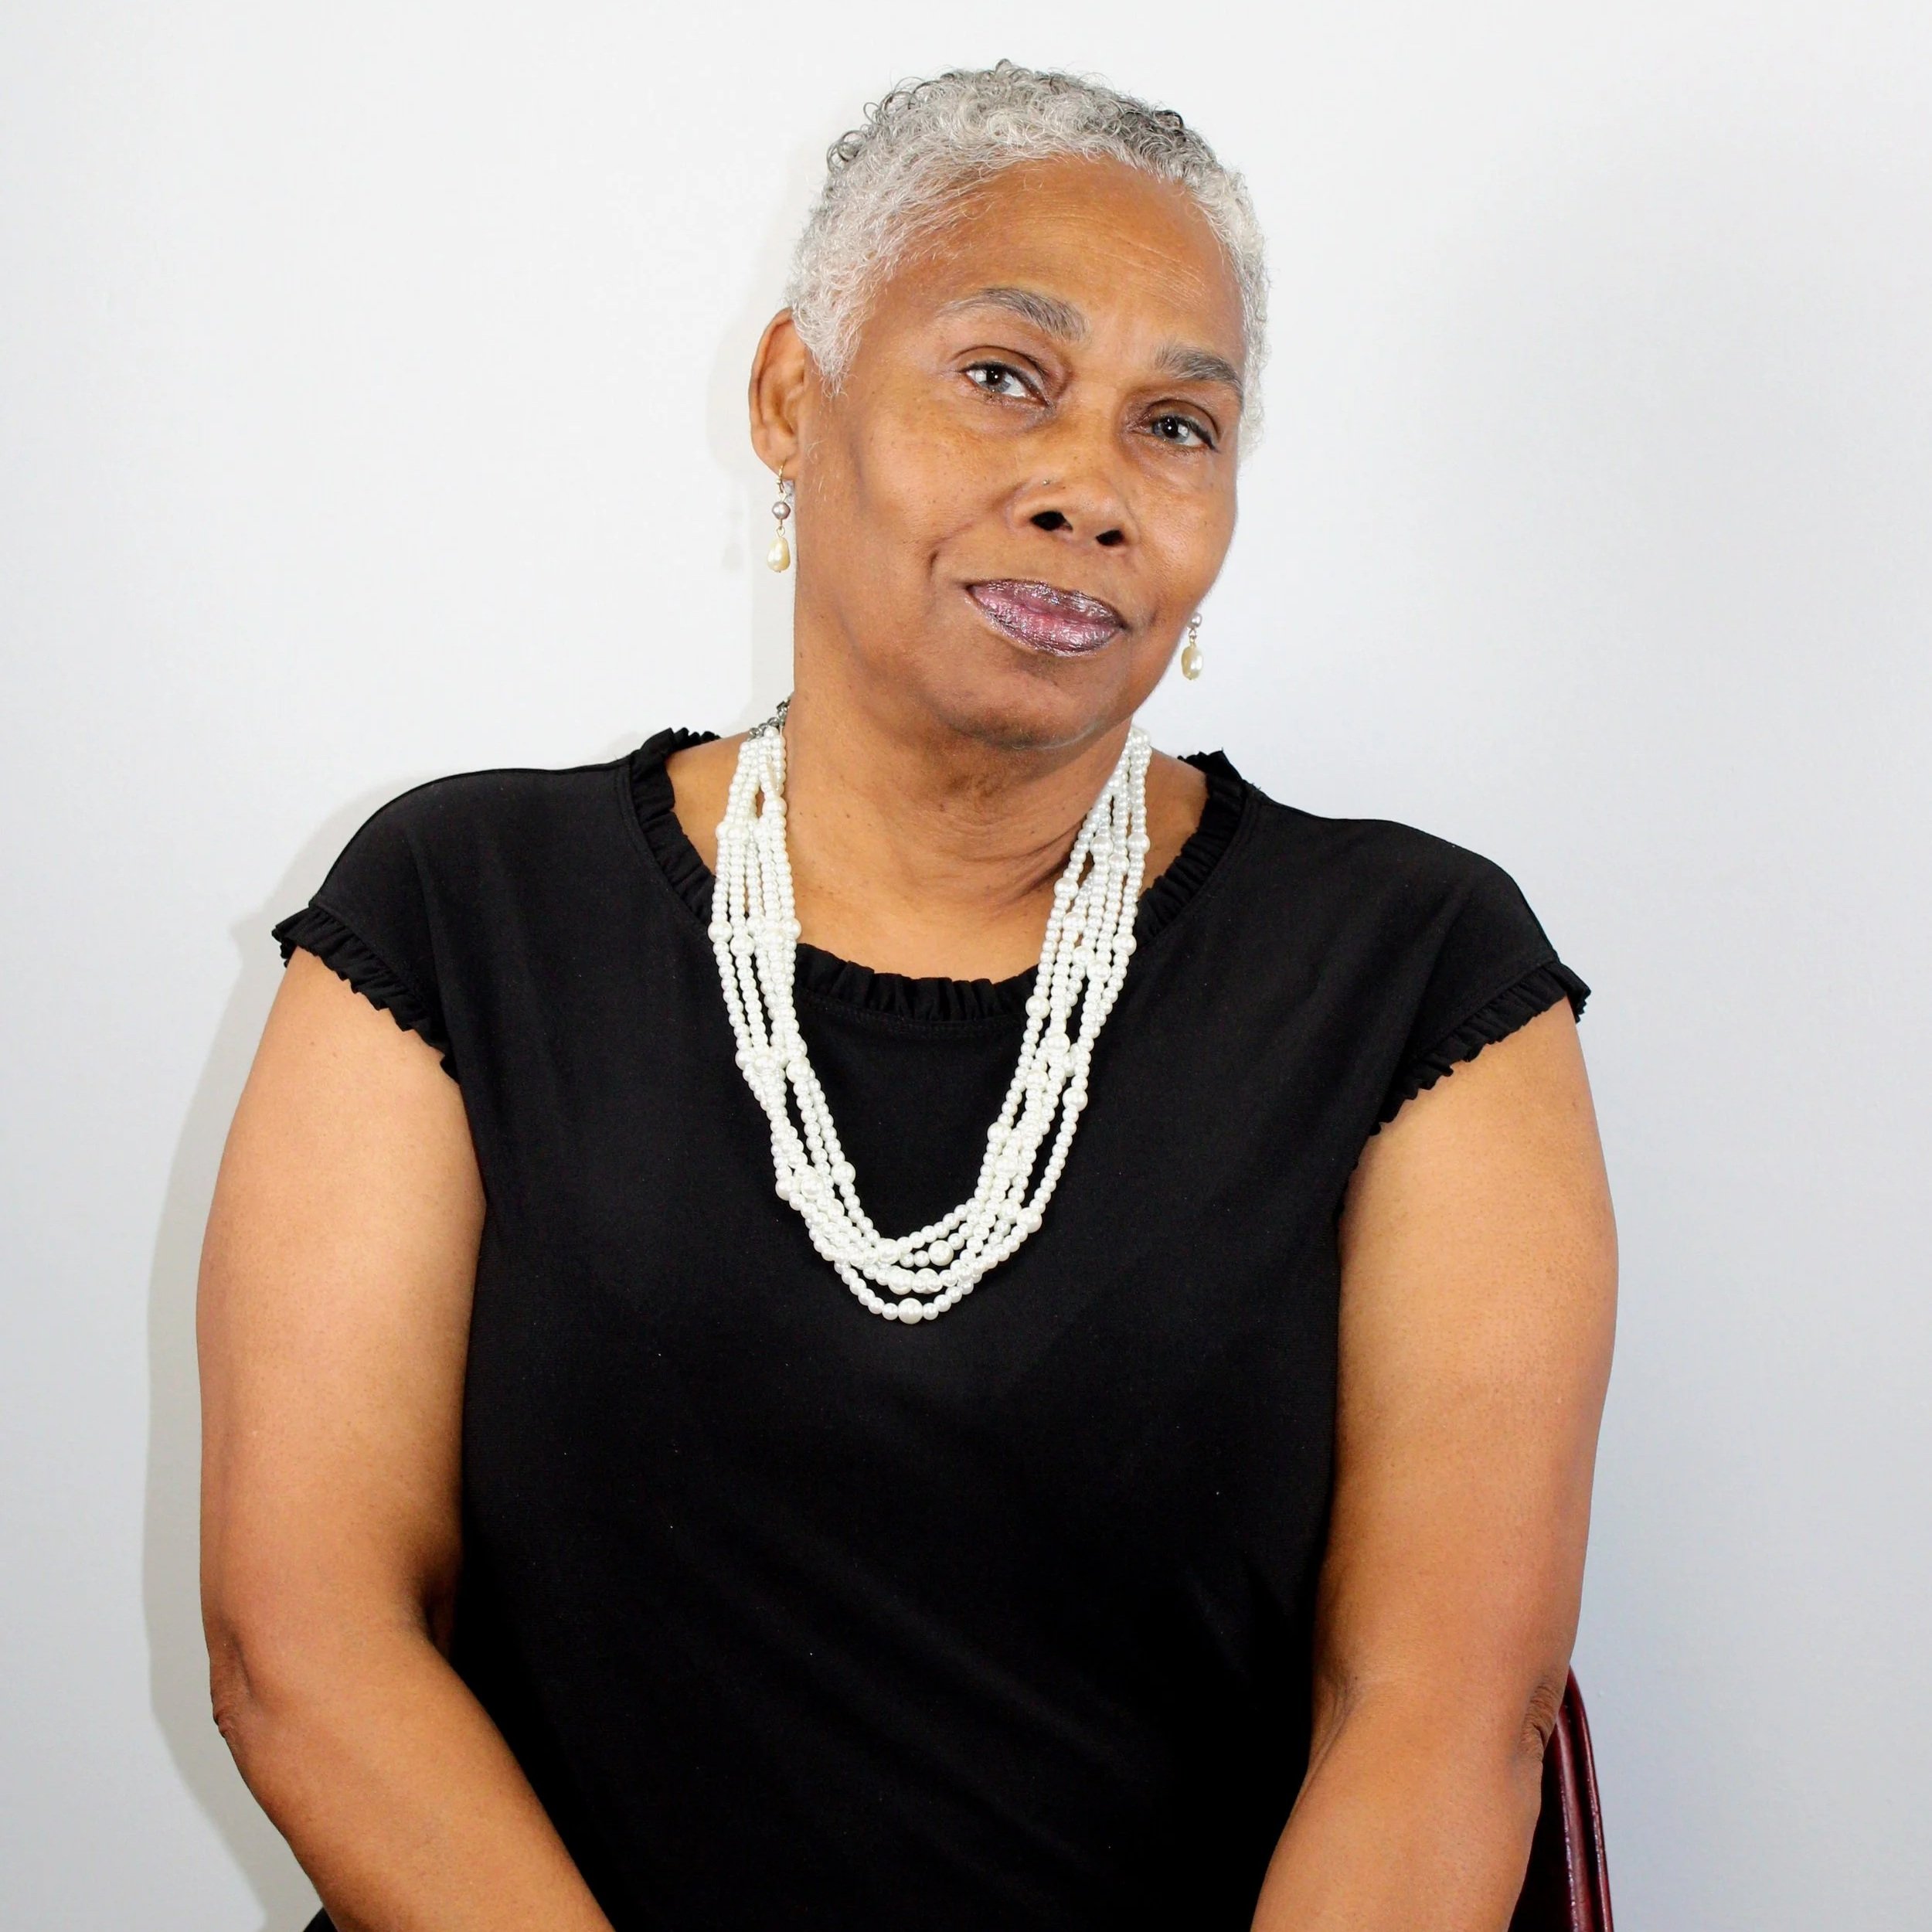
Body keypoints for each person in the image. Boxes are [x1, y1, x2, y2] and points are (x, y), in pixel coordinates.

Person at [198, 61, 1616, 1932]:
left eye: (1176, 424)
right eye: (1003, 375)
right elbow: (307, 1640)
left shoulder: (1413, 974)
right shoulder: (461, 917)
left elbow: (1441, 1714)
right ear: (795, 398)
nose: (1089, 489)